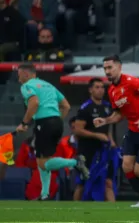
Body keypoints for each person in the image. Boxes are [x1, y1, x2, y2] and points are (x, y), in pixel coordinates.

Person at [94, 55, 139, 208]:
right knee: (126, 167)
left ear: (119, 67)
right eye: (105, 68)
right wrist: (105, 120)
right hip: (133, 130)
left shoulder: (132, 82)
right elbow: (119, 114)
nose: (107, 71)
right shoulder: (112, 90)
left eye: (110, 67)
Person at [16, 63, 89, 200]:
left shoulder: (26, 86)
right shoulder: (48, 85)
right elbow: (66, 106)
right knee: (42, 161)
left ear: (26, 74)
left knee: (43, 163)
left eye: (19, 75)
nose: (18, 79)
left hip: (44, 123)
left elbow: (34, 103)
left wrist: (24, 123)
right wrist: (55, 121)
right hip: (56, 123)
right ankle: (44, 194)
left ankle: (74, 163)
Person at [72, 78, 116, 202]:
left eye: (102, 87)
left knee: (108, 181)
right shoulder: (85, 108)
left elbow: (107, 128)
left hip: (104, 151)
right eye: (97, 87)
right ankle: (75, 211)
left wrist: (111, 140)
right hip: (87, 151)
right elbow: (78, 130)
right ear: (90, 90)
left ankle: (115, 213)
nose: (100, 90)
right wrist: (97, 136)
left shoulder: (107, 107)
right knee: (82, 182)